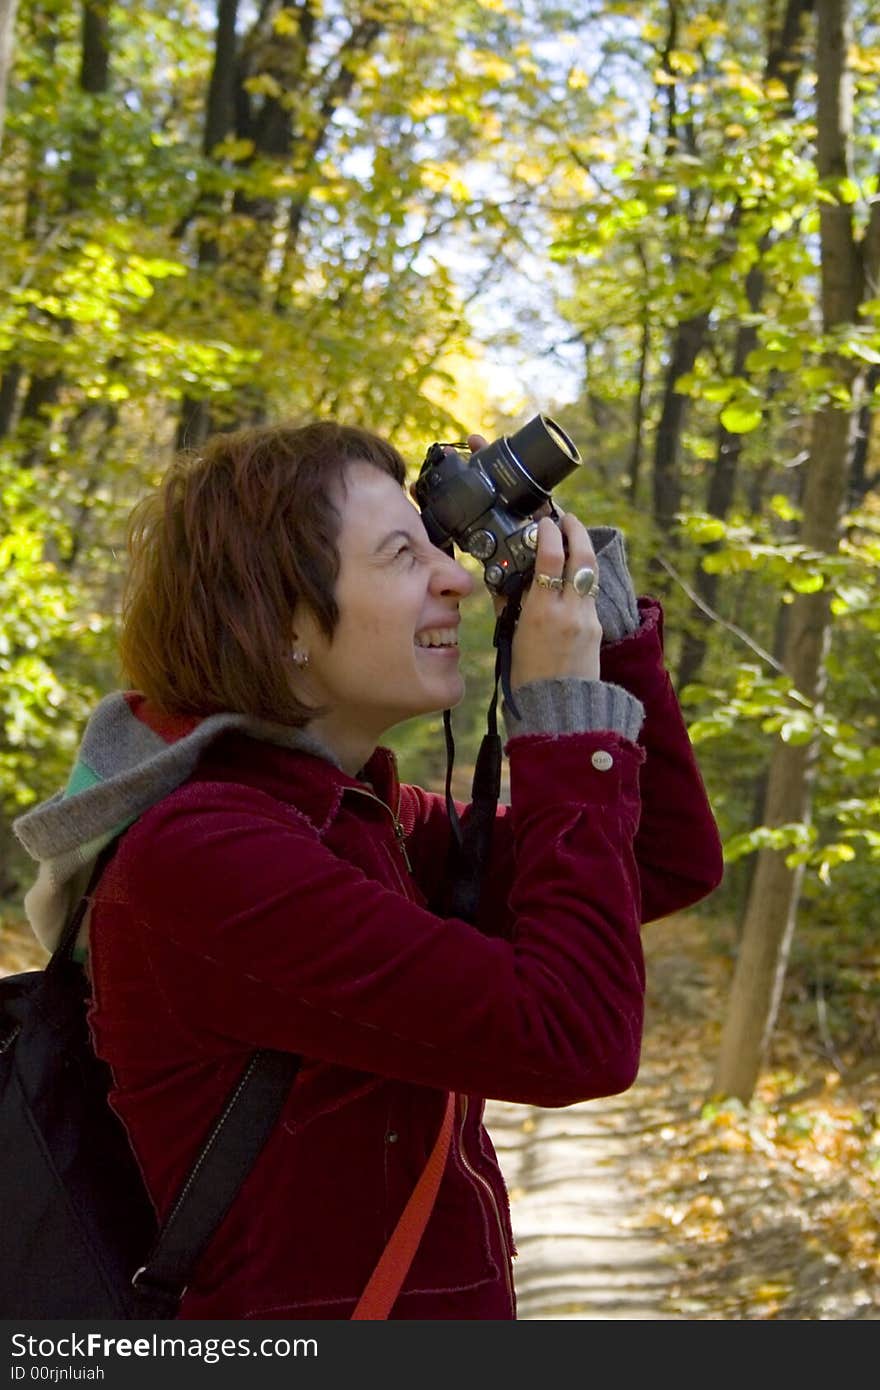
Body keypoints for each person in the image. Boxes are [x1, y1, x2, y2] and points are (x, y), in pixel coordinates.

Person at [13, 419, 723, 1321]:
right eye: (401, 556)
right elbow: (575, 1038)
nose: (457, 577)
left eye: (439, 544)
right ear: (281, 625)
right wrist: (560, 720)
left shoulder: (361, 821)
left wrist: (607, 632)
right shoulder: (205, 860)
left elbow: (661, 859)